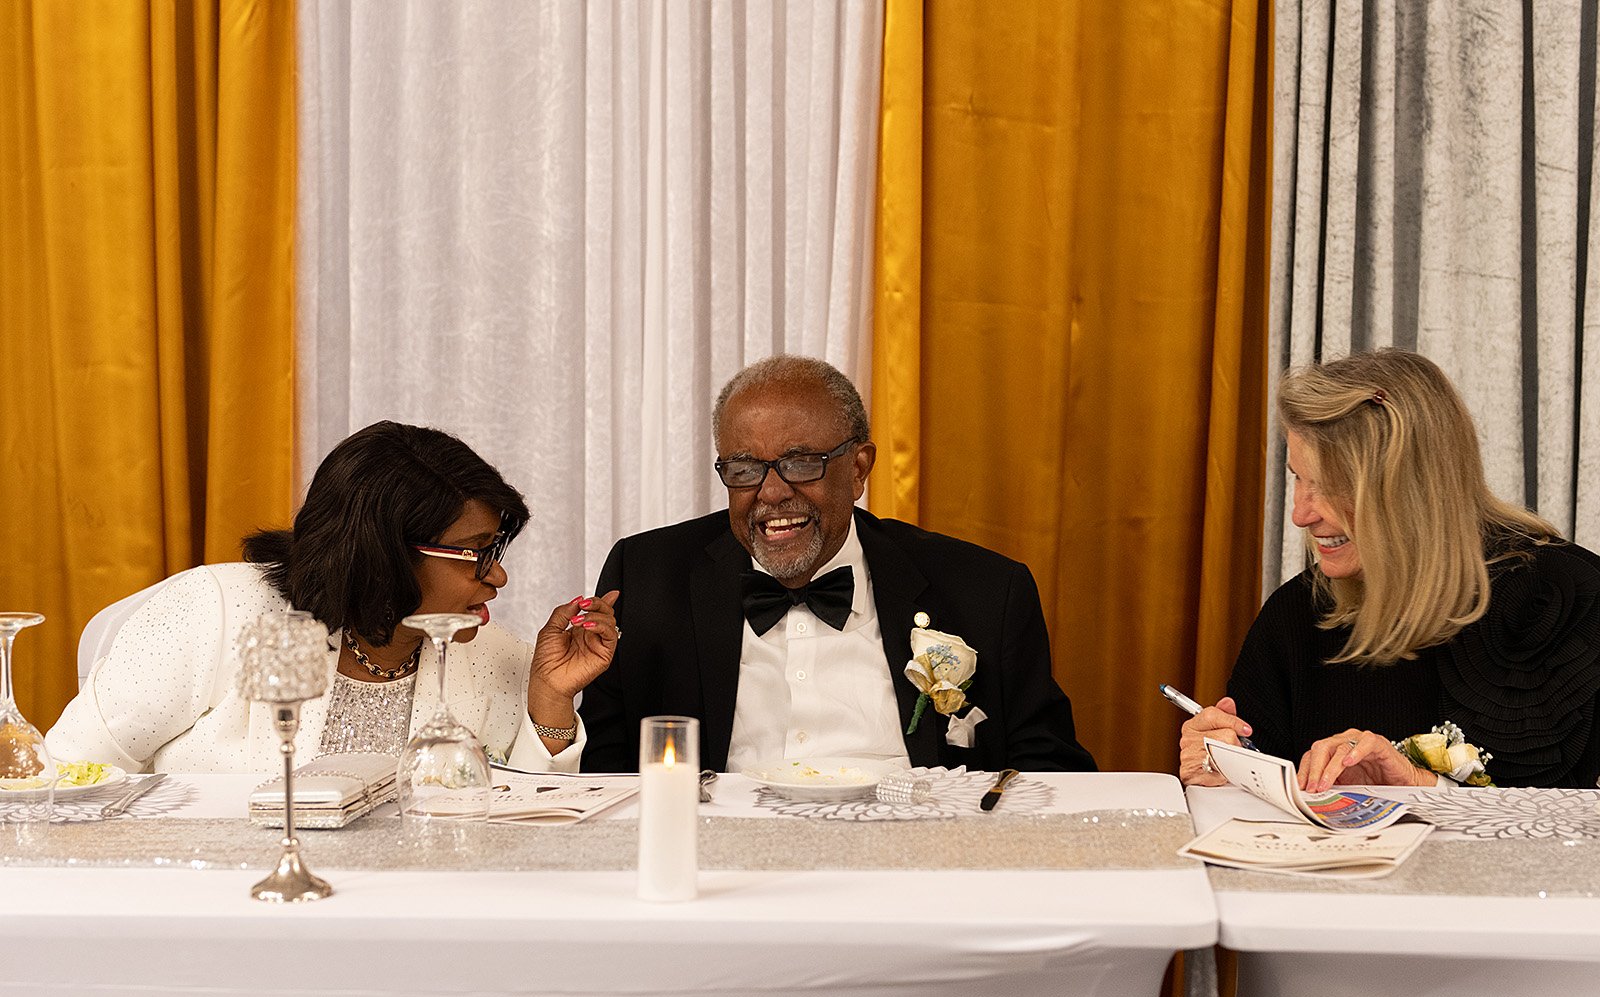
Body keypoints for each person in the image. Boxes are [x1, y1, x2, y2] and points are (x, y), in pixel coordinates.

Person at [577, 355, 1096, 774]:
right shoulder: (647, 576)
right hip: (717, 872)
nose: (772, 492)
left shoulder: (984, 589)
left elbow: (1048, 772)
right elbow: (600, 768)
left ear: (859, 468)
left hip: (914, 872)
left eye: (801, 462)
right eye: (744, 468)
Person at [48, 421, 618, 774]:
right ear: (385, 550)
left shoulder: (499, 658)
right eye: (476, 552)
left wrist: (548, 699)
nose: (499, 578)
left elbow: (524, 825)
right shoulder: (215, 613)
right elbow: (68, 773)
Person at [1181, 350, 1600, 790]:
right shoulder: (1299, 611)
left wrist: (1424, 789)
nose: (1301, 515)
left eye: (1330, 486)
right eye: (1299, 479)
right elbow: (1262, 802)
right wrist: (1223, 770)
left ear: (1412, 489)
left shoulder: (1566, 601)